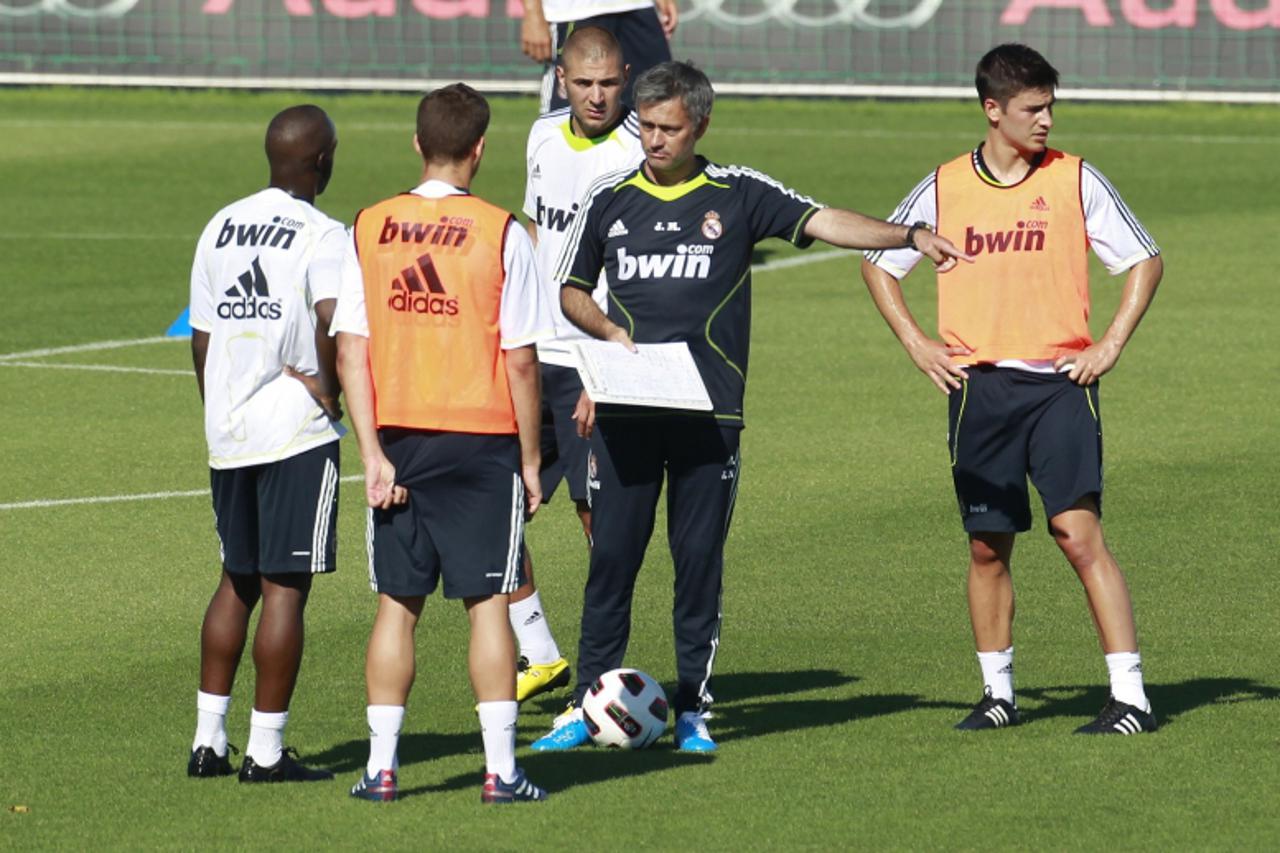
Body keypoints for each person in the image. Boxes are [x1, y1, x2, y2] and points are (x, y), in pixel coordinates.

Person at [530, 60, 970, 753]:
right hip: (626, 415)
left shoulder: (738, 194)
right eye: (645, 126)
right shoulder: (610, 197)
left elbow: (824, 220)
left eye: (668, 128)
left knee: (697, 559)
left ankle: (693, 709)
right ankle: (588, 706)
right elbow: (571, 291)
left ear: (699, 124)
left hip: (709, 418)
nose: (653, 140)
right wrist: (611, 337)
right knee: (612, 559)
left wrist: (908, 235)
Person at [860, 43, 1163, 734]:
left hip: (1059, 385)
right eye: (1033, 108)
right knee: (986, 543)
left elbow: (1145, 258)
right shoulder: (943, 187)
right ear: (992, 111)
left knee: (1077, 533)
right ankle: (998, 693)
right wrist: (917, 342)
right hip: (978, 391)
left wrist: (1109, 345)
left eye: (1052, 106)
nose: (1047, 121)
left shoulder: (1076, 180)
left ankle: (1131, 697)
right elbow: (881, 263)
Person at [335, 83, 554, 804]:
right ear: (481, 148)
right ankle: (501, 770)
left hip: (397, 435)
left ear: (416, 144)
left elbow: (350, 351)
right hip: (482, 439)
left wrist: (370, 452)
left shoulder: (368, 223)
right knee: (487, 602)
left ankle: (381, 768)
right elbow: (521, 357)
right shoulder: (501, 231)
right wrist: (530, 457)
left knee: (398, 605)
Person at [187, 104, 345, 783]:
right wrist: (331, 396)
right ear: (321, 162)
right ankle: (266, 750)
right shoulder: (323, 232)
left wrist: (220, 410)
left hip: (229, 427)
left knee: (235, 580)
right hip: (293, 431)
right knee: (286, 587)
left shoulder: (219, 223)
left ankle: (207, 742)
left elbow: (200, 334)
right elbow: (334, 323)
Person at [510, 24, 646, 706]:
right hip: (535, 354)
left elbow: (637, 271)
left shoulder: (636, 151)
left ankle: (602, 672)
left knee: (600, 521)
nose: (597, 97)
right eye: (584, 84)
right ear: (562, 80)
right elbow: (537, 232)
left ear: (627, 77)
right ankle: (538, 651)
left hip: (594, 361)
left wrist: (605, 366)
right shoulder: (540, 136)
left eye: (610, 84)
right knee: (499, 508)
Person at [521, 0, 677, 112]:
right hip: (574, 11)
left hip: (639, 8)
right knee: (565, 124)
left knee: (659, 114)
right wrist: (532, 12)